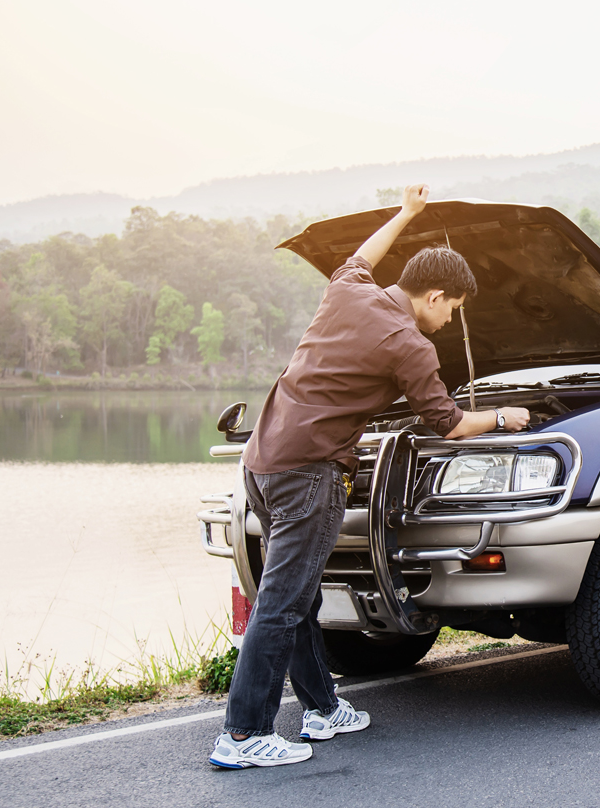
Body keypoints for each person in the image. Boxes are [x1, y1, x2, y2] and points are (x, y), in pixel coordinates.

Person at [209, 183, 530, 769]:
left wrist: (406, 213)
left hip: (260, 461)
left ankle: (323, 709)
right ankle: (242, 733)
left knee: (296, 597)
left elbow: (363, 255)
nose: (449, 320)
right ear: (434, 296)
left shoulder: (347, 290)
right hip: (308, 474)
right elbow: (448, 423)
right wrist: (503, 416)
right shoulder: (410, 345)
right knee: (282, 603)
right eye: (452, 309)